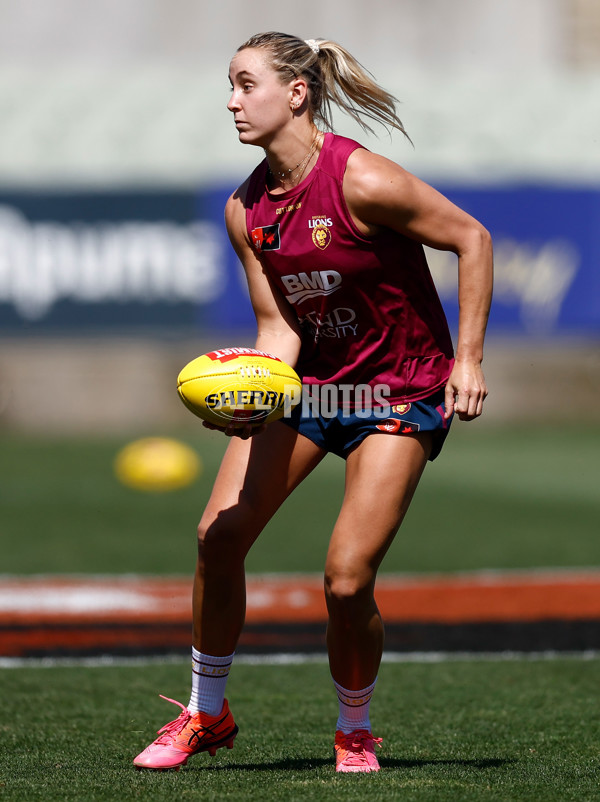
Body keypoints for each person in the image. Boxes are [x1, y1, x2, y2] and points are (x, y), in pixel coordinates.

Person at [133, 31, 493, 774]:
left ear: (296, 92)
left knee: (345, 578)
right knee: (217, 537)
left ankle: (354, 729)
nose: (231, 101)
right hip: (315, 390)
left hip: (397, 389)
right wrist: (250, 397)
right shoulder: (245, 209)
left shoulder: (362, 180)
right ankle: (206, 713)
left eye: (245, 84)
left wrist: (468, 358)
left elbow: (473, 238)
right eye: (227, 87)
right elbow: (278, 329)